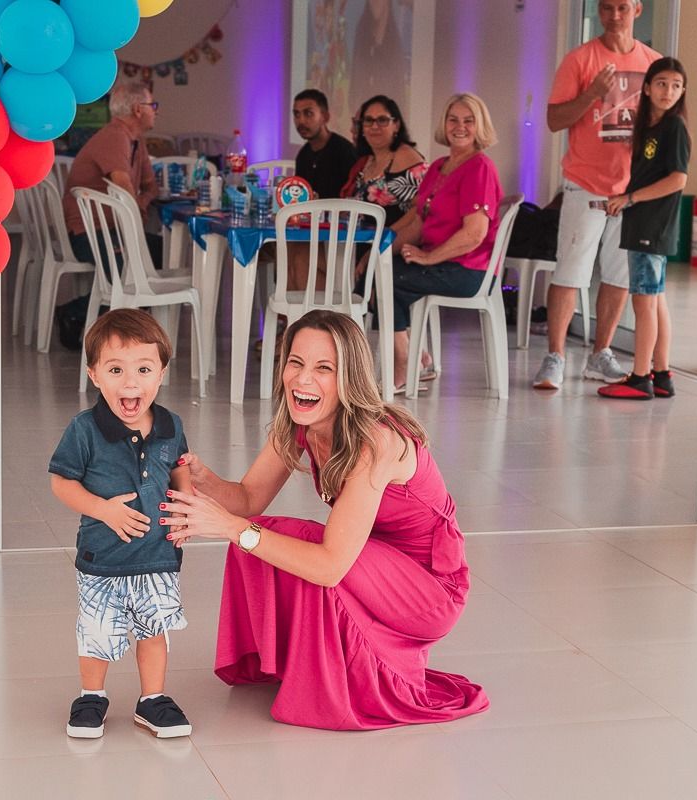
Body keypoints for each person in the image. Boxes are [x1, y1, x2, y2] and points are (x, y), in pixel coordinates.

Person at [164, 309, 488, 730]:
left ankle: (333, 678)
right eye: (295, 363)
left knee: (279, 543)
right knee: (269, 535)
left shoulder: (377, 441)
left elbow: (330, 565)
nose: (302, 380)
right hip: (374, 562)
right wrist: (203, 479)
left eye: (323, 369)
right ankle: (285, 661)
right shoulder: (303, 422)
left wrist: (230, 527)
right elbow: (248, 499)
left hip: (429, 591)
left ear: (349, 377)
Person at [48, 308, 194, 740]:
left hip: (158, 555)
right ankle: (92, 695)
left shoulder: (170, 425)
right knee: (97, 631)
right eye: (116, 370)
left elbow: (179, 467)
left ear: (161, 373)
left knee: (154, 629)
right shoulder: (84, 429)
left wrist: (184, 509)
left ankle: (153, 699)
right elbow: (61, 482)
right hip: (103, 558)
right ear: (94, 374)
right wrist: (103, 509)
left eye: (143, 370)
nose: (130, 382)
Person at [532, 0, 661, 391]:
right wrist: (591, 94)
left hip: (632, 191)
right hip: (584, 183)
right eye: (606, 8)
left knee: (619, 276)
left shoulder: (654, 63)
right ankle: (555, 357)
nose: (614, 16)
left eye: (622, 7)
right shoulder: (580, 59)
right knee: (570, 272)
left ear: (637, 9)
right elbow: (554, 120)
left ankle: (600, 354)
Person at [390, 92, 503, 391]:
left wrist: (428, 258)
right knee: (378, 271)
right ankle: (416, 357)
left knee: (388, 279)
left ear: (480, 125)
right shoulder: (439, 166)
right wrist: (379, 252)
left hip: (468, 269)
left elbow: (474, 234)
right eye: (453, 119)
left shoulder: (480, 167)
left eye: (469, 120)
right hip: (444, 263)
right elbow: (418, 224)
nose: (460, 127)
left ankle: (404, 362)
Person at [599, 57, 690, 400]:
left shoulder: (674, 127)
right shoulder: (650, 127)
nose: (669, 91)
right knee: (655, 299)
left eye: (676, 86)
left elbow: (678, 179)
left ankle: (640, 377)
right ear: (648, 88)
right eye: (662, 83)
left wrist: (630, 198)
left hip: (652, 225)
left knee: (644, 302)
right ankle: (661, 373)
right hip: (644, 222)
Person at [55, 84, 162, 349]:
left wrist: (141, 203)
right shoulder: (115, 136)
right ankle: (75, 313)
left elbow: (151, 187)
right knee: (126, 275)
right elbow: (124, 190)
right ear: (138, 110)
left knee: (158, 250)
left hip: (114, 229)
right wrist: (139, 205)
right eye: (152, 106)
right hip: (88, 233)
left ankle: (131, 327)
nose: (156, 111)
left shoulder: (136, 140)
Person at [341, 94, 427, 230]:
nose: (374, 126)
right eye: (368, 120)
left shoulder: (407, 157)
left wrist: (387, 236)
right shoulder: (367, 160)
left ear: (396, 125)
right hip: (361, 240)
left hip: (393, 242)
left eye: (382, 120)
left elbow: (422, 208)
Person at [292, 89, 358, 200]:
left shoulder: (345, 152)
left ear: (325, 117)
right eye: (297, 114)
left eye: (308, 113)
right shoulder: (303, 154)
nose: (301, 121)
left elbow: (353, 197)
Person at [349, 0, 408, 116]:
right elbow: (356, 74)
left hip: (387, 113)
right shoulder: (362, 30)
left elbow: (398, 83)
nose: (375, 3)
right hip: (363, 110)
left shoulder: (394, 39)